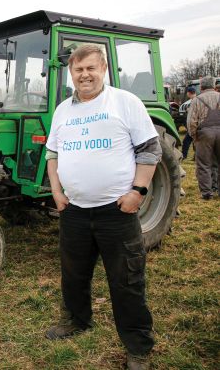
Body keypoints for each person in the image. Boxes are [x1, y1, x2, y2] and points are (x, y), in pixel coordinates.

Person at [45, 44, 161, 370]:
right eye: (78, 70)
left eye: (90, 68)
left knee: (127, 280)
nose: (84, 75)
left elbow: (151, 149)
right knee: (73, 274)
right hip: (75, 211)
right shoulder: (62, 111)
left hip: (116, 211)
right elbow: (53, 155)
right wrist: (56, 191)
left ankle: (138, 346)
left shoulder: (125, 103)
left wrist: (138, 191)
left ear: (103, 69)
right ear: (71, 73)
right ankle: (77, 321)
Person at [187, 76, 220, 200]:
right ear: (214, 85)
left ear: (201, 87)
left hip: (205, 134)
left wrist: (194, 136)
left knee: (204, 164)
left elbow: (191, 121)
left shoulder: (197, 100)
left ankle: (207, 193)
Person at [181, 86, 196, 159]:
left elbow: (194, 113)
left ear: (189, 93)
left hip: (194, 125)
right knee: (194, 142)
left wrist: (188, 110)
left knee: (186, 141)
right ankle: (195, 157)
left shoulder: (194, 101)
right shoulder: (195, 100)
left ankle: (184, 156)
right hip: (195, 125)